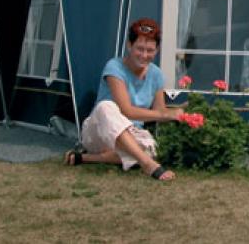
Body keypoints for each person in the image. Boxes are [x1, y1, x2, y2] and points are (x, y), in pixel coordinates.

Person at [64, 18, 182, 181]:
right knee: (106, 106)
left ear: (157, 50)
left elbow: (159, 111)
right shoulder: (114, 67)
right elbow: (127, 111)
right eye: (140, 49)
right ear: (129, 45)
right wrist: (166, 114)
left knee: (150, 149)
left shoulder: (156, 75)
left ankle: (87, 158)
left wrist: (180, 113)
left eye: (150, 50)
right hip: (100, 130)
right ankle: (148, 165)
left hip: (131, 134)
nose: (144, 55)